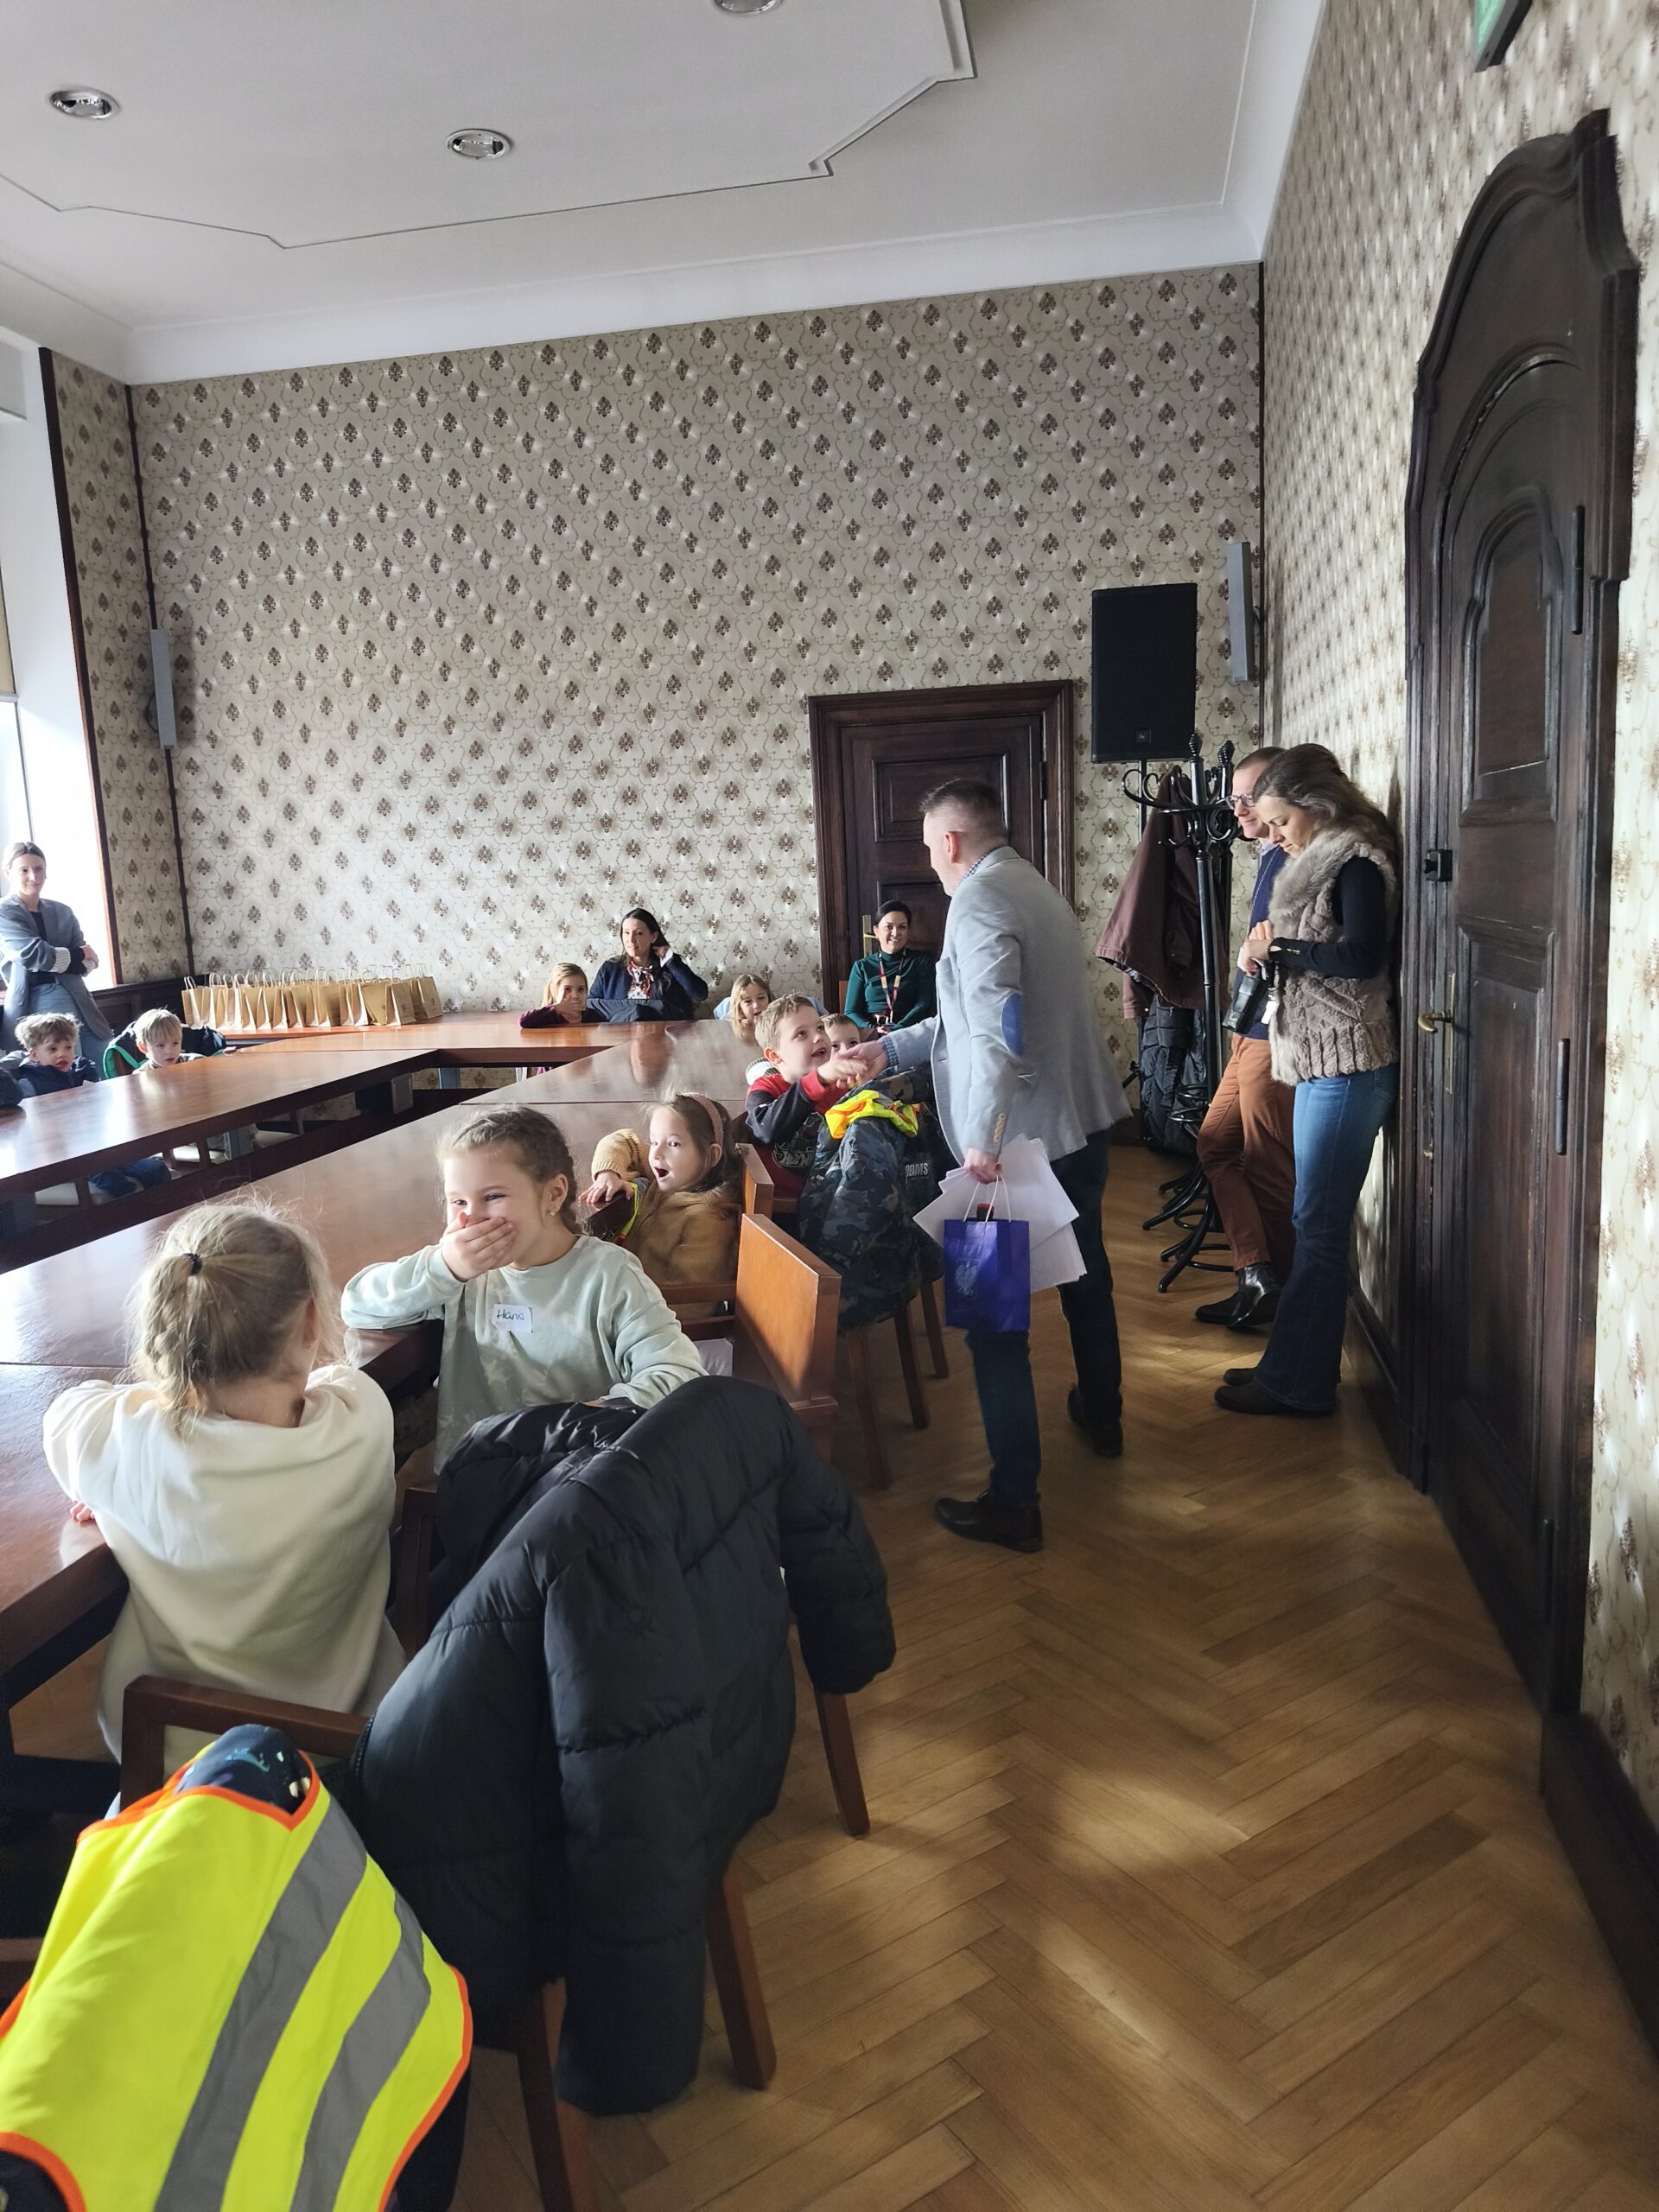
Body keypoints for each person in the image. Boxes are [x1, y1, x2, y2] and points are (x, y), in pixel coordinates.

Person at [840, 780, 1130, 1553]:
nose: (930, 862)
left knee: (992, 1323)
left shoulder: (975, 901)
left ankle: (1013, 1502)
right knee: (1088, 1277)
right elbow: (971, 1013)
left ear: (949, 842)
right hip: (1079, 1126)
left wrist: (985, 1142)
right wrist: (887, 1048)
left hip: (1008, 1151)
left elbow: (1000, 1033)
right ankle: (1103, 1417)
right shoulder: (1034, 886)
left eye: (929, 847)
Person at [41, 1200, 405, 1756]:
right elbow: (338, 1376)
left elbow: (67, 1413)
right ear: (311, 1320)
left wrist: (128, 1461)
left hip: (186, 1761)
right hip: (358, 1737)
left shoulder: (133, 1444)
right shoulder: (363, 1414)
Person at [340, 1103, 704, 1465]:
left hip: (576, 1475)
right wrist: (443, 1267)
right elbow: (358, 1305)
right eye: (458, 1201)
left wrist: (578, 1421)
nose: (472, 1218)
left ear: (554, 1195)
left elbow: (679, 1374)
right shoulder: (459, 1274)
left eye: (493, 1197)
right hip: (478, 1477)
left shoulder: (607, 1275)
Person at [1215, 746, 1400, 1419]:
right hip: (1322, 1063)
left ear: (1316, 807)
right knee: (1311, 1222)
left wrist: (1280, 949)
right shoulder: (1319, 858)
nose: (1273, 834)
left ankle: (1300, 1385)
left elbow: (1361, 956)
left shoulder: (1355, 860)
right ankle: (1290, 1367)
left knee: (1318, 1230)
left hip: (1349, 1068)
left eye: (1281, 821)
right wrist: (1266, 955)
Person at [1193, 746, 1298, 1330]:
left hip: (1274, 1035)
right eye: (1234, 798)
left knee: (1267, 1165)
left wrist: (1261, 947)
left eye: (1248, 797)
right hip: (1248, 1028)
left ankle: (1286, 1308)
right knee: (1214, 1146)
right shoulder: (1268, 853)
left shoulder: (1294, 855)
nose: (1236, 809)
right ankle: (1256, 1275)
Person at [582, 1095, 742, 1287]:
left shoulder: (709, 1220)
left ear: (711, 1156)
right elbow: (622, 1140)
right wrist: (608, 1173)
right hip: (620, 1280)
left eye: (673, 1144)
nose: (656, 1154)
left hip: (640, 1300)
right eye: (654, 1142)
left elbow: (689, 1295)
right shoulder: (675, 1175)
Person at [14, 1013, 172, 1198]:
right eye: (53, 1049)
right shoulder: (29, 1083)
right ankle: (132, 1214)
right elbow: (26, 1129)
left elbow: (104, 1106)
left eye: (68, 1047)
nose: (61, 1054)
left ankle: (163, 1210)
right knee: (116, 1183)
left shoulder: (82, 1071)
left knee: (156, 1170)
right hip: (63, 1155)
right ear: (34, 1055)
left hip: (99, 1145)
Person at [0, 841, 112, 1055]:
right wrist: (76, 956)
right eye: (24, 870)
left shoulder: (62, 911)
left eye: (39, 869)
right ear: (8, 872)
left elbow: (89, 962)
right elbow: (36, 955)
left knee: (106, 1059)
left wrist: (72, 958)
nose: (34, 876)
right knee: (69, 1065)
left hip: (79, 995)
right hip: (38, 997)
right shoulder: (3, 911)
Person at [744, 995, 861, 1201]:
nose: (818, 1037)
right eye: (801, 1034)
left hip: (835, 1198)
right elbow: (764, 1130)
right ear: (774, 1056)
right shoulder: (765, 1088)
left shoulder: (842, 1087)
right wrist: (817, 1080)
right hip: (783, 1207)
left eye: (820, 1028)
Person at [588, 909, 709, 1024]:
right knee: (637, 1011)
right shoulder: (610, 969)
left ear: (653, 937)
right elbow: (590, 1006)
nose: (631, 940)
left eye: (639, 933)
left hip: (664, 1033)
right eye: (626, 933)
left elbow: (699, 995)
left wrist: (672, 962)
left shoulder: (670, 965)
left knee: (644, 1011)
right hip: (621, 1032)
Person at [843, 900, 938, 1033]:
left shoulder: (921, 961)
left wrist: (896, 1029)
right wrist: (874, 1030)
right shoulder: (862, 967)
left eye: (902, 927)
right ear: (876, 931)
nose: (896, 933)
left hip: (909, 1032)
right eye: (889, 927)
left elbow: (924, 1004)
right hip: (871, 1033)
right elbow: (851, 1012)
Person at [101, 1006, 203, 1079]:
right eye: (160, 1045)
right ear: (143, 1047)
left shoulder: (196, 1063)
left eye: (175, 1043)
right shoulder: (140, 1077)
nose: (169, 1051)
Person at [519, 962, 593, 1030]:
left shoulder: (591, 1015)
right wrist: (557, 1008)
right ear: (554, 990)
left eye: (580, 989)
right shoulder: (549, 1016)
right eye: (567, 989)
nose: (575, 996)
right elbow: (523, 1022)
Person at [726, 974, 772, 1046]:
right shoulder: (730, 1030)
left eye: (761, 998)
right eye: (748, 1001)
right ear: (740, 1008)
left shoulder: (780, 1022)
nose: (756, 1005)